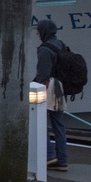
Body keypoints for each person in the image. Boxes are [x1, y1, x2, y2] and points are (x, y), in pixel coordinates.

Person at [34, 19, 68, 171]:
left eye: (38, 31)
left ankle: (49, 155)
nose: (37, 34)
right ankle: (62, 159)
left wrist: (32, 85)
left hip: (48, 89)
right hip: (60, 88)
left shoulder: (45, 49)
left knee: (40, 121)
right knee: (58, 124)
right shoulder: (61, 45)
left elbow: (43, 74)